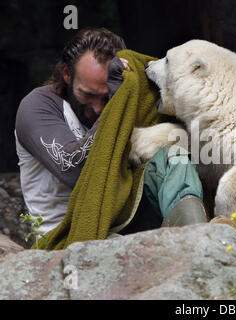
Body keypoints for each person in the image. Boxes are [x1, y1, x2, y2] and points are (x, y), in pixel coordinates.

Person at [14, 27, 208, 236]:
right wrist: (115, 104)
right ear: (67, 74)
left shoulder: (128, 95)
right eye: (87, 94)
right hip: (68, 234)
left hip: (122, 218)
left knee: (173, 158)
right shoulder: (37, 106)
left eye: (106, 98)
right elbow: (73, 170)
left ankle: (198, 241)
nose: (97, 108)